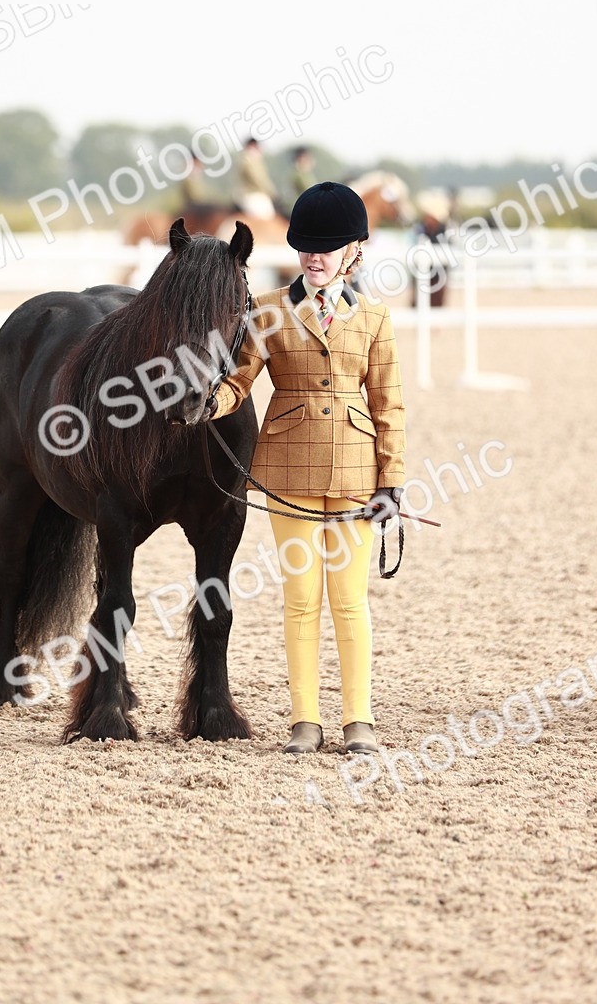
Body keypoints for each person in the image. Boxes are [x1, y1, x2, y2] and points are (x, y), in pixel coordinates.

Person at [203, 182, 406, 755]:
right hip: (287, 472)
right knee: (299, 600)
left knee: (349, 600)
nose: (315, 256)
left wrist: (391, 481)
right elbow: (239, 381)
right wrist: (207, 403)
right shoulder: (266, 311)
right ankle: (304, 722)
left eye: (328, 246)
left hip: (354, 473)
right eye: (306, 246)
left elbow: (389, 404)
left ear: (354, 251)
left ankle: (358, 720)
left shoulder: (373, 317)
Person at [237, 137, 277, 219]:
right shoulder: (249, 161)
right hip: (253, 195)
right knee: (268, 217)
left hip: (255, 194)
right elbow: (258, 180)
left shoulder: (252, 161)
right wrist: (272, 192)